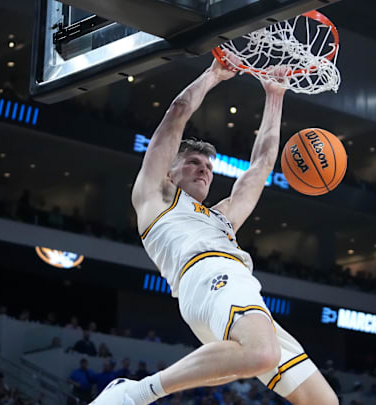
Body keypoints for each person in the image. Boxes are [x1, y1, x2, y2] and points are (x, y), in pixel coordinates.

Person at [93, 53, 338, 405]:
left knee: (323, 402)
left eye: (208, 166)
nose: (204, 169)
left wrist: (274, 94)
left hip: (232, 290)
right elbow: (176, 112)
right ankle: (134, 393)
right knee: (262, 354)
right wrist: (212, 75)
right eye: (193, 162)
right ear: (170, 172)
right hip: (208, 277)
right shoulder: (155, 198)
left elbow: (262, 164)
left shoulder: (222, 217)